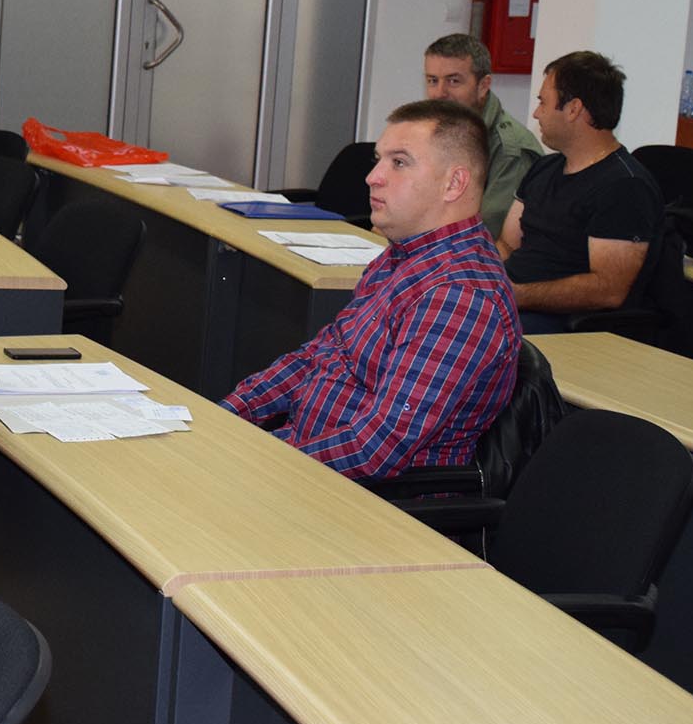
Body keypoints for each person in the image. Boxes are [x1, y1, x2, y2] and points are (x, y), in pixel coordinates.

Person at [221, 99, 521, 482]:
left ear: (454, 183)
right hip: (303, 461)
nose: (372, 177)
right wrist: (227, 415)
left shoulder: (459, 296)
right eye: (379, 160)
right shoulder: (401, 257)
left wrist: (257, 464)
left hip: (361, 498)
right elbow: (316, 357)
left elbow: (376, 449)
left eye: (399, 163)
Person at [500, 50, 664, 333]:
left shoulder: (625, 186)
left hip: (560, 321)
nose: (537, 113)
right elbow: (506, 245)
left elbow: (607, 290)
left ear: (574, 109)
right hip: (515, 303)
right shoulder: (544, 168)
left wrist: (517, 295)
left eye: (543, 102)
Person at [422, 32, 543, 237]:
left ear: (483, 86)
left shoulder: (510, 150)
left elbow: (489, 233)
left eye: (453, 81)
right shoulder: (434, 130)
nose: (440, 93)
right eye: (433, 80)